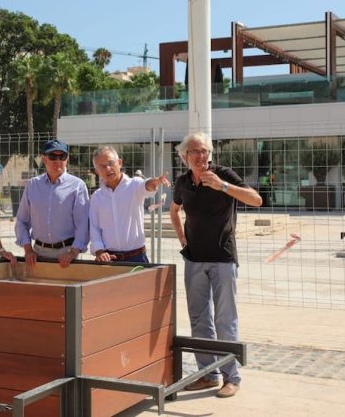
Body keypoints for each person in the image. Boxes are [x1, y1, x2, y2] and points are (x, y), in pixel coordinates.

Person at [169, 132, 262, 399]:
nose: (201, 156)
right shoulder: (183, 182)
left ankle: (232, 377)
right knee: (199, 319)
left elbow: (256, 200)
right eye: (195, 152)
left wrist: (222, 186)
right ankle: (208, 375)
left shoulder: (224, 175)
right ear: (185, 156)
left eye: (205, 151)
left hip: (223, 259)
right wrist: (182, 238)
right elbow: (174, 210)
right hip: (194, 259)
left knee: (225, 320)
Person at [14, 139, 89, 268]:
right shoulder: (32, 185)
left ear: (67, 159)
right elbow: (21, 220)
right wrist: (28, 250)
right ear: (44, 159)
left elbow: (83, 223)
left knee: (68, 289)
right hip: (37, 254)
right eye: (53, 156)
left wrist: (73, 253)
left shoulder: (78, 186)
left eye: (62, 156)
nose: (58, 160)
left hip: (67, 255)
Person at [89, 146, 169, 263]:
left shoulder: (134, 185)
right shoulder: (97, 197)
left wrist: (155, 182)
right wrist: (99, 252)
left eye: (111, 163)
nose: (108, 169)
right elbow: (94, 228)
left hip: (136, 258)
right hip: (109, 260)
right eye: (102, 166)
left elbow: (146, 186)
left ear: (120, 163)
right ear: (96, 171)